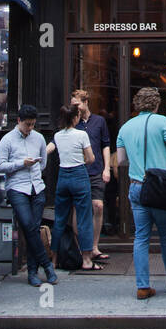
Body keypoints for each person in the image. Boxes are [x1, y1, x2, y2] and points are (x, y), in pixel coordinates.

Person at [115, 86, 166, 299]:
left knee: (141, 236)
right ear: (157, 104)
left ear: (137, 104)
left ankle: (142, 286)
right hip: (159, 185)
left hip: (137, 186)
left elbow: (121, 160)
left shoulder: (125, 127)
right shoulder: (162, 122)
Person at [0, 104, 56, 287]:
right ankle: (46, 265)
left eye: (33, 125)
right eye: (27, 124)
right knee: (29, 226)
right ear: (19, 121)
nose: (30, 128)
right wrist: (21, 164)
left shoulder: (38, 138)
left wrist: (34, 165)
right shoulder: (7, 140)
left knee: (33, 229)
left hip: (36, 187)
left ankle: (32, 272)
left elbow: (43, 164)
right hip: (17, 188)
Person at [51, 103, 103, 273]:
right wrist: (83, 161)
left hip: (63, 176)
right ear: (75, 118)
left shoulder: (58, 136)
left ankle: (54, 260)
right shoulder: (82, 134)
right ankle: (87, 260)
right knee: (84, 218)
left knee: (59, 218)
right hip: (79, 175)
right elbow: (91, 158)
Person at [71, 89, 113, 262]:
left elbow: (105, 144)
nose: (75, 107)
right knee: (78, 208)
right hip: (78, 169)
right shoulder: (73, 122)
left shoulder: (99, 121)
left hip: (96, 169)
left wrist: (107, 168)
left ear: (86, 102)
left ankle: (94, 246)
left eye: (77, 104)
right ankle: (81, 247)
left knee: (98, 206)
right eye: (73, 105)